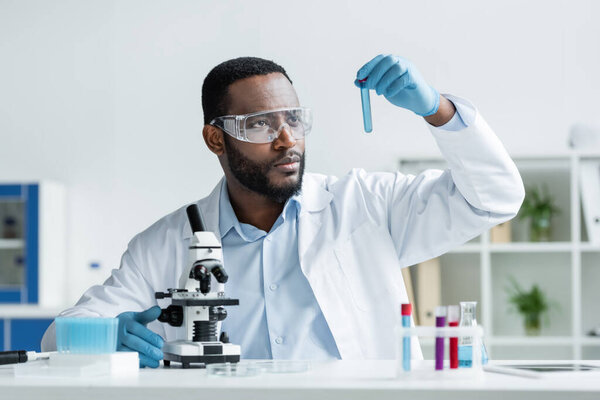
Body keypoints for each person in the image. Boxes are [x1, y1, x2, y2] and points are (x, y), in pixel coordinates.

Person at [42, 54, 524, 367]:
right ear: (216, 138)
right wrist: (105, 335)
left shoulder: (366, 206)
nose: (287, 138)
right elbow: (54, 338)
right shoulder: (167, 242)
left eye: (294, 118)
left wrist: (436, 109)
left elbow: (495, 197)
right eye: (259, 124)